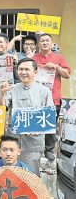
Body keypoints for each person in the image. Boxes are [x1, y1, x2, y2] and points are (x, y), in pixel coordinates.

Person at [0, 58, 54, 176]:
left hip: (34, 141)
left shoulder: (44, 91)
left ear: (35, 72)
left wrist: (37, 129)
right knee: (12, 174)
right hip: (13, 140)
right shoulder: (12, 89)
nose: (23, 72)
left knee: (31, 175)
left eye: (27, 69)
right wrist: (2, 93)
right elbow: (1, 109)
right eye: (20, 69)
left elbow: (49, 117)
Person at [33, 33, 71, 161]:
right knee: (36, 123)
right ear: (38, 44)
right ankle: (37, 148)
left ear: (51, 43)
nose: (44, 43)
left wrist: (56, 67)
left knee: (50, 125)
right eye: (42, 41)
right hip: (36, 97)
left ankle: (49, 149)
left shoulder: (59, 58)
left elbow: (67, 75)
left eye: (47, 40)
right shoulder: (34, 58)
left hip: (54, 97)